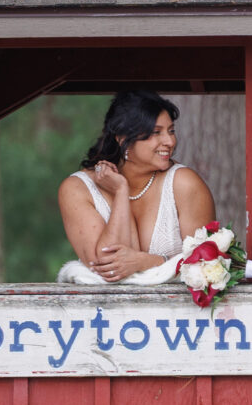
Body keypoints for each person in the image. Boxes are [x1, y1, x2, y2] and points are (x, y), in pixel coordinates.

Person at [56, 90, 221, 286]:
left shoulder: (184, 184)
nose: (169, 142)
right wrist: (120, 193)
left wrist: (148, 261)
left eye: (171, 131)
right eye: (155, 133)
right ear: (122, 137)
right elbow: (109, 270)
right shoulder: (77, 189)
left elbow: (206, 263)